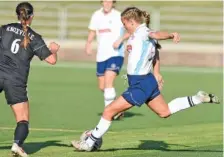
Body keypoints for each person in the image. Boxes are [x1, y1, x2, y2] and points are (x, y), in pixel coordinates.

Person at [72, 7, 220, 151]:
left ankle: (89, 143)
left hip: (140, 84)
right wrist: (157, 73)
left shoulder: (143, 32)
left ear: (131, 22)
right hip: (147, 81)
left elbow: (156, 34)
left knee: (109, 111)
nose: (124, 27)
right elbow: (155, 53)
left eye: (124, 24)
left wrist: (170, 35)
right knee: (165, 111)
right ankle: (197, 98)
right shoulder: (138, 35)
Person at [0, 2, 60, 156]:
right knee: (23, 119)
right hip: (16, 81)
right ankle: (17, 145)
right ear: (31, 17)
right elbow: (52, 60)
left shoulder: (5, 29)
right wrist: (53, 49)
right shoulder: (35, 37)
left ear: (17, 15)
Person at [85, 0, 129, 119]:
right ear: (102, 2)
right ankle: (118, 107)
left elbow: (130, 30)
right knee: (102, 86)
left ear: (113, 3)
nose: (107, 4)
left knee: (109, 82)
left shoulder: (119, 16)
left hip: (116, 54)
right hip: (101, 55)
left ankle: (109, 113)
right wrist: (88, 44)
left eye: (109, 2)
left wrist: (120, 40)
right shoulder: (96, 15)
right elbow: (92, 31)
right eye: (105, 1)